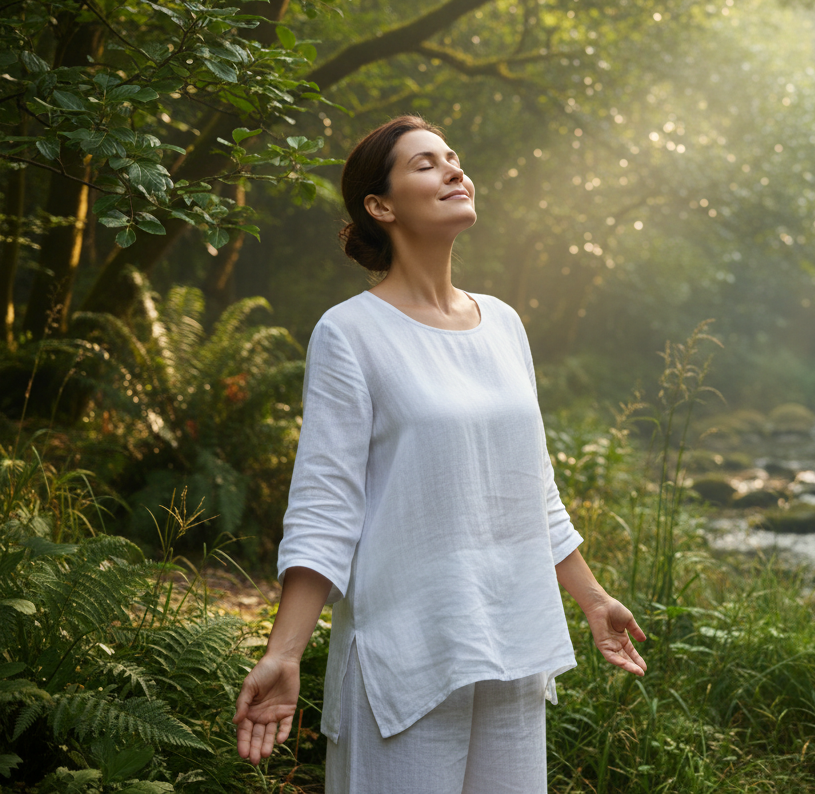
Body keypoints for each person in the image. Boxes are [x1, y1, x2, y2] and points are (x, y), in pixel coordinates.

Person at [232, 115, 646, 792]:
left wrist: (594, 600)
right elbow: (325, 506)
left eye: (453, 158)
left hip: (513, 643)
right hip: (405, 655)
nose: (454, 169)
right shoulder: (350, 333)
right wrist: (285, 652)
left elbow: (532, 489)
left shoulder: (504, 323)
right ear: (381, 206)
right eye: (425, 164)